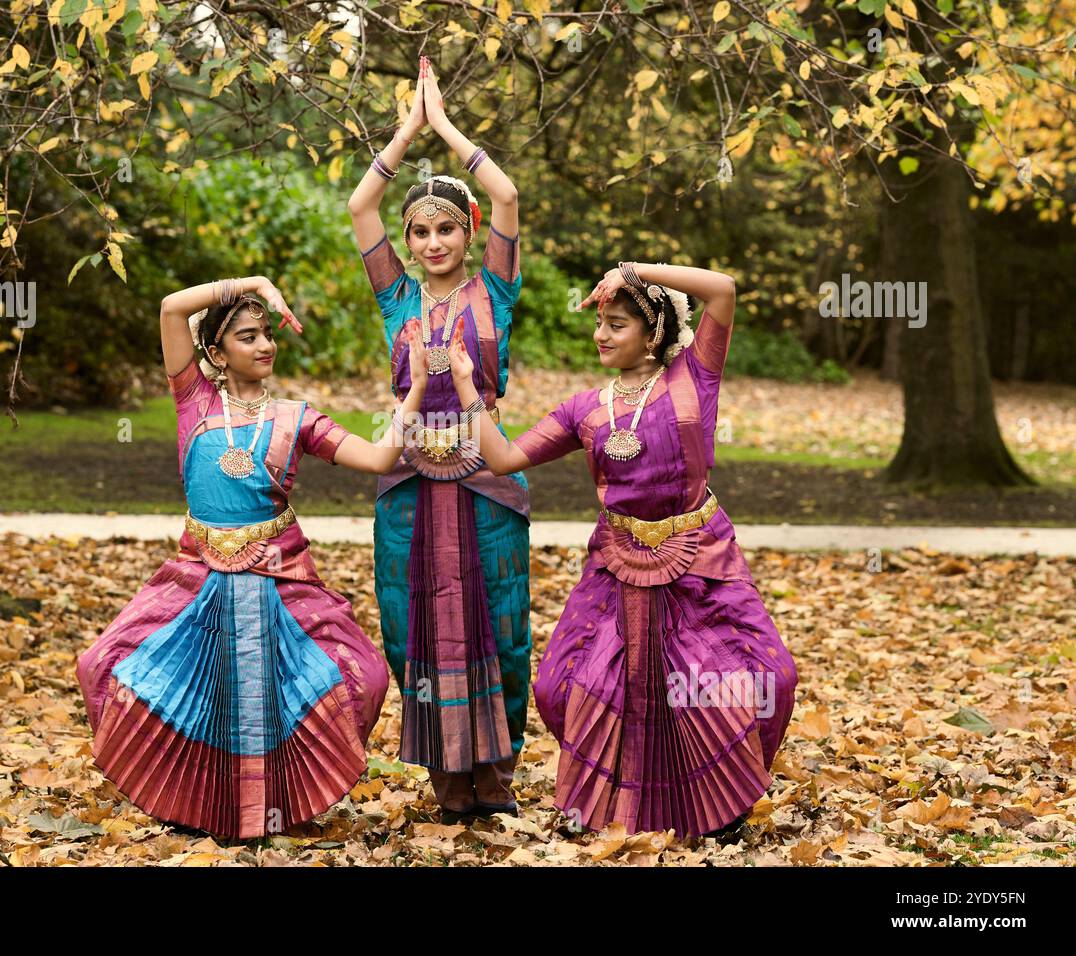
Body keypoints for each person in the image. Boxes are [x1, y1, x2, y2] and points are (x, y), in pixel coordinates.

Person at [448, 260, 797, 839]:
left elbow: (723, 289)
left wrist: (632, 269)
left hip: (699, 556)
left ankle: (719, 805)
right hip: (617, 562)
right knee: (561, 683)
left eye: (617, 324)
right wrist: (465, 387)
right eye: (601, 323)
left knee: (762, 677)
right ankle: (619, 802)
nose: (601, 335)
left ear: (654, 332)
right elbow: (505, 459)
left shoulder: (695, 375)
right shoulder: (583, 408)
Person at [76, 275, 427, 839]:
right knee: (103, 665)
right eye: (247, 336)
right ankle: (195, 802)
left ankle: (278, 804)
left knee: (363, 675)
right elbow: (171, 306)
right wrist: (253, 282)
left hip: (278, 576)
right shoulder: (192, 397)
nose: (265, 345)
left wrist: (414, 395)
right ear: (215, 354)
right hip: (198, 576)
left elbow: (383, 457)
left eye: (267, 334)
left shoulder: (297, 418)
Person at [344, 57, 530, 816]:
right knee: (414, 623)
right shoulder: (395, 297)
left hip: (486, 480)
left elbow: (508, 192)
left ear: (470, 232)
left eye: (446, 227)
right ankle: (446, 780)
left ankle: (497, 776)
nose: (429, 242)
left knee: (498, 622)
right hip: (410, 485)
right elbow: (361, 206)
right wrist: (406, 131)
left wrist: (446, 127)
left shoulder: (496, 287)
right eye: (418, 231)